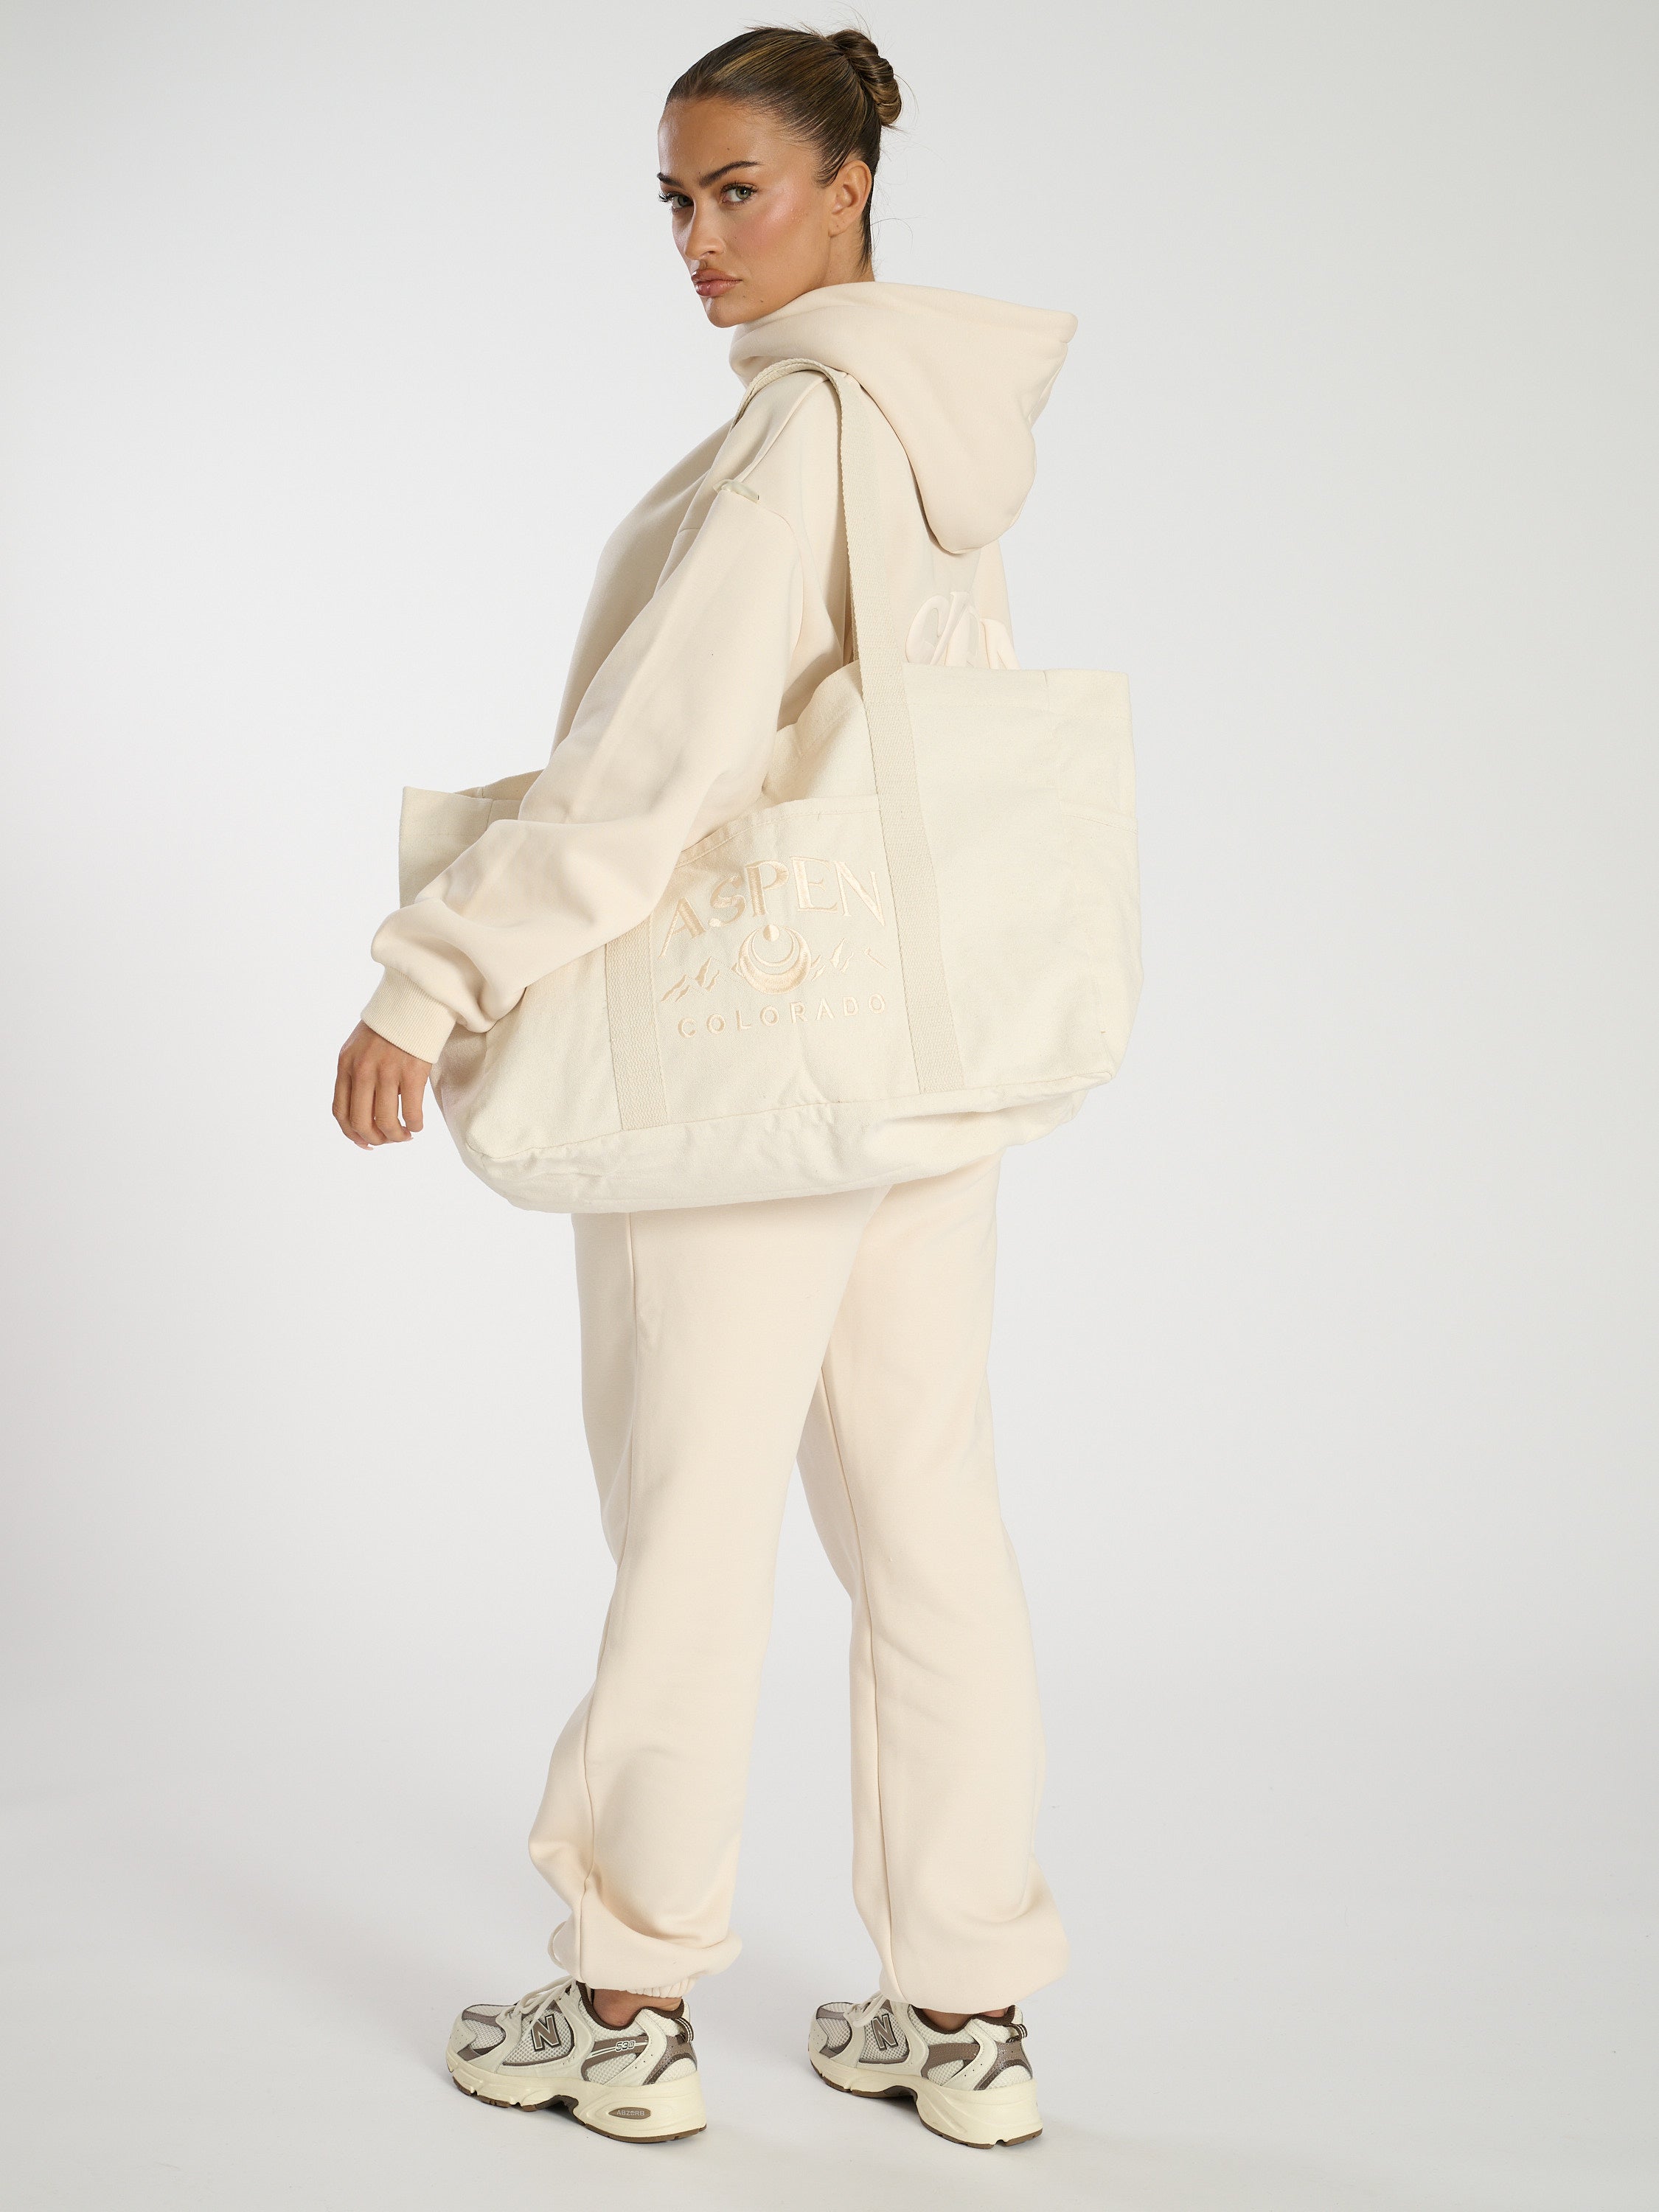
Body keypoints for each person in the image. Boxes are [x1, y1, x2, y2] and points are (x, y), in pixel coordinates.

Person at [333, 25, 1079, 2152]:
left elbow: (649, 772)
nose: (696, 237)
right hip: (920, 1063)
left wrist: (432, 974)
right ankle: (964, 2015)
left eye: (736, 189)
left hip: (754, 1078)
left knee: (692, 1524)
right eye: (673, 199)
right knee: (927, 1526)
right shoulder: (936, 434)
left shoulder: (794, 440)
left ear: (848, 185)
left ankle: (628, 2000)